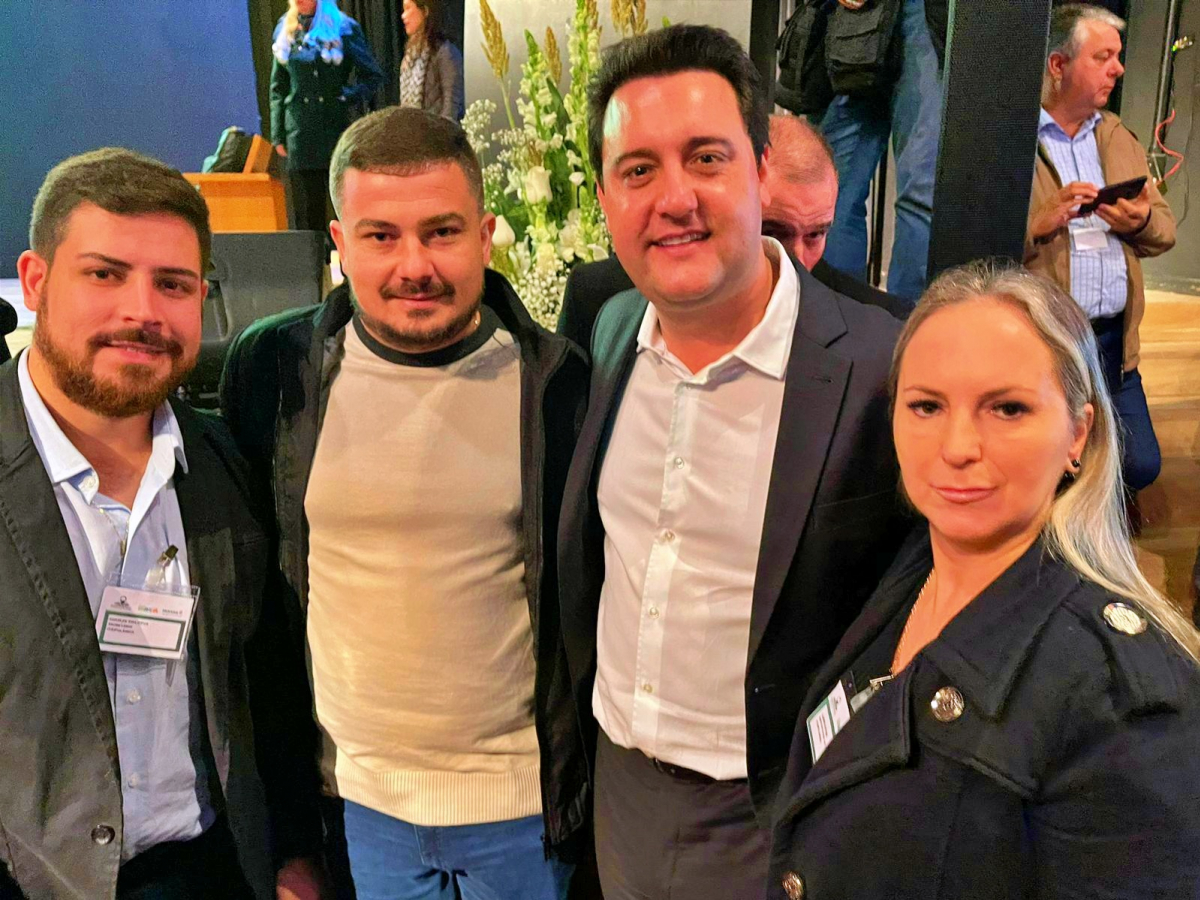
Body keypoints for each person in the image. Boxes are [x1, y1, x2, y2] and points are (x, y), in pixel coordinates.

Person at [558, 25, 907, 899]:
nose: (674, 198)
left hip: (779, 812)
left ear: (759, 170)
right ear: (604, 197)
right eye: (638, 169)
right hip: (619, 791)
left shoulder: (882, 365)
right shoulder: (611, 329)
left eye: (705, 158)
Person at [220, 107, 590, 900]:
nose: (414, 265)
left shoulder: (560, 384)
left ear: (485, 235)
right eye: (381, 236)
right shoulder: (274, 373)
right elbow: (260, 619)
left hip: (525, 814)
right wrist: (289, 827)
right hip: (357, 812)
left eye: (441, 232)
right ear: (339, 243)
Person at [767, 262, 1200, 900]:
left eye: (1007, 408)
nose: (958, 447)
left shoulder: (1123, 703)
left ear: (1078, 432)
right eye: (926, 406)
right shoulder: (909, 569)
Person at [0, 148, 324, 899]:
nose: (141, 311)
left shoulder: (222, 461)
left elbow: (263, 683)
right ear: (37, 281)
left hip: (213, 871)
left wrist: (292, 851)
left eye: (172, 284)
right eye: (105, 274)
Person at [557, 114, 907, 353]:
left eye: (816, 235)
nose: (797, 258)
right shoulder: (600, 298)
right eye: (774, 231)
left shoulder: (879, 330)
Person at [1026, 4, 1175, 492]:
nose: (1119, 69)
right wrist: (1037, 226)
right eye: (1103, 56)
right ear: (1058, 65)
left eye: (1118, 56)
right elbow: (973, 246)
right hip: (1049, 342)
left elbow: (1165, 230)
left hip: (1113, 345)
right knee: (1045, 466)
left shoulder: (1117, 136)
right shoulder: (1014, 141)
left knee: (1140, 466)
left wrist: (1141, 221)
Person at [820, 0, 947, 302]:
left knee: (920, 191)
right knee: (831, 191)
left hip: (927, 13)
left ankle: (906, 320)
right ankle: (837, 314)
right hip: (860, 18)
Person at [270, 0, 384, 232]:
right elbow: (278, 88)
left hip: (334, 128)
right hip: (300, 133)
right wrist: (278, 134)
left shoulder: (343, 27)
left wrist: (346, 96)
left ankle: (343, 254)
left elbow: (372, 75)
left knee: (341, 206)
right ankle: (311, 256)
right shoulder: (285, 29)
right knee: (307, 214)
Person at [399, 0, 465, 121]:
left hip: (436, 131)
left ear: (425, 11)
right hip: (412, 129)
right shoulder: (411, 54)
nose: (403, 16)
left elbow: (452, 107)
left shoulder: (445, 52)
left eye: (408, 8)